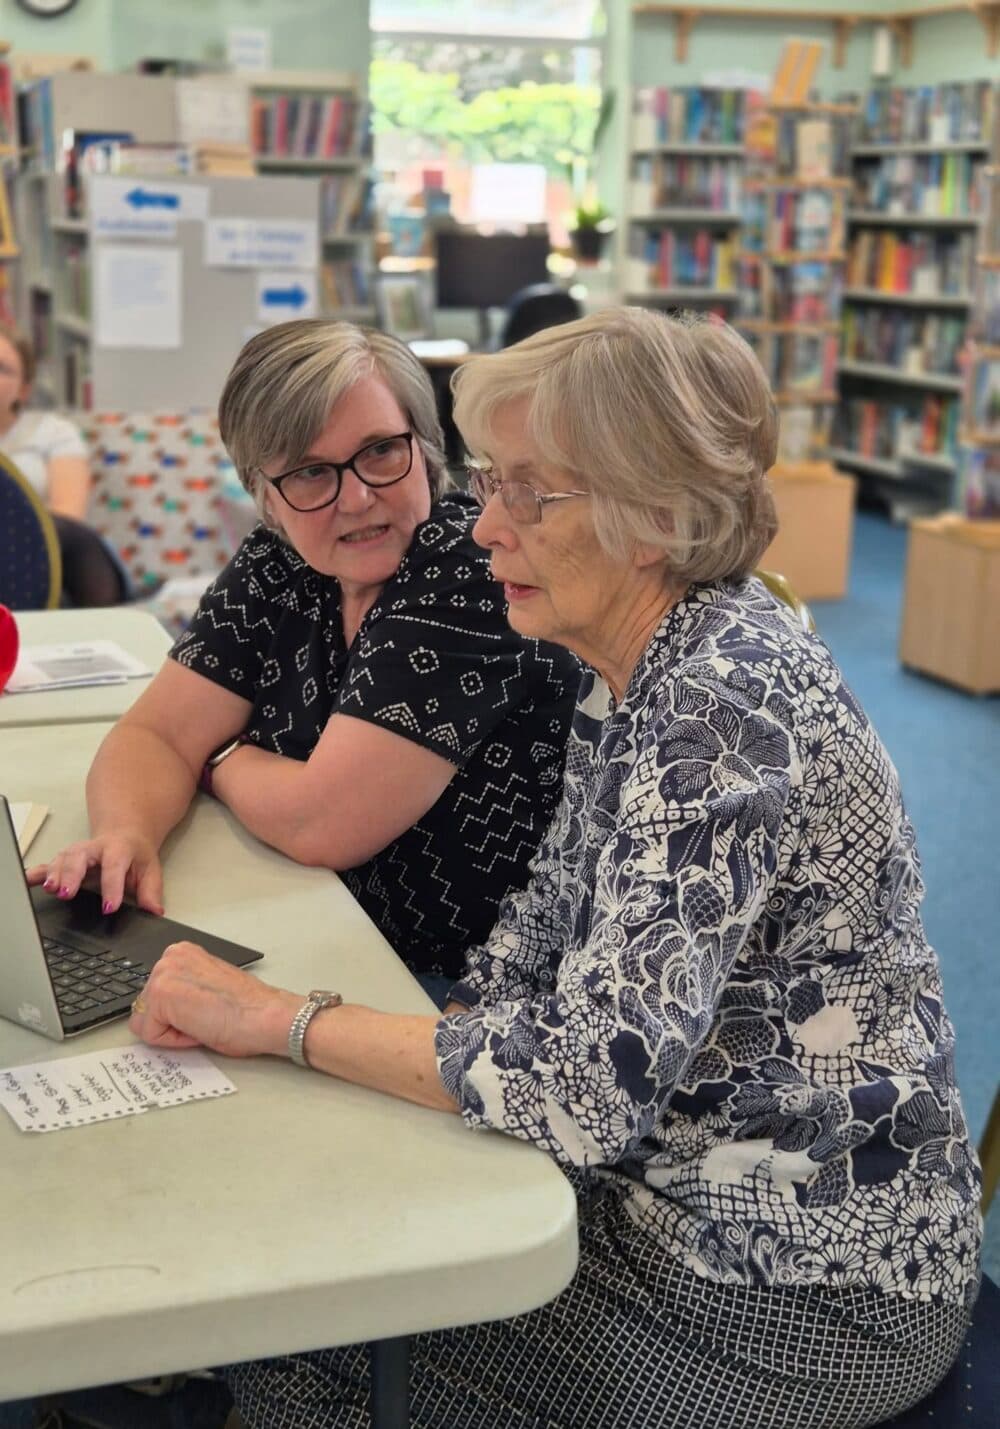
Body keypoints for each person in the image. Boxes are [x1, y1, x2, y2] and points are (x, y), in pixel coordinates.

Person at [119, 309, 984, 1427]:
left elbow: (584, 1085)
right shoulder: (626, 658)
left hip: (799, 1276)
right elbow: (542, 917)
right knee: (303, 1259)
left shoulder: (718, 710)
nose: (483, 529)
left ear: (654, 519)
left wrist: (281, 1018)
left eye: (530, 493)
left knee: (284, 1347)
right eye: (489, 482)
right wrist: (432, 1033)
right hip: (655, 1179)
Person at [29, 319, 580, 987]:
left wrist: (220, 754)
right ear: (265, 494)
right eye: (311, 473)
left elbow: (324, 822)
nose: (356, 496)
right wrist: (126, 833)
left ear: (426, 446)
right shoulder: (278, 563)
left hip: (460, 992)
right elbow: (155, 733)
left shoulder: (469, 568)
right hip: (327, 936)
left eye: (381, 450)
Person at [0, 322, 125, 606]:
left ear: (24, 389)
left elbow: (68, 514)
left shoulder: (52, 432)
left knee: (60, 530)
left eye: (2, 369)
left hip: (53, 560)